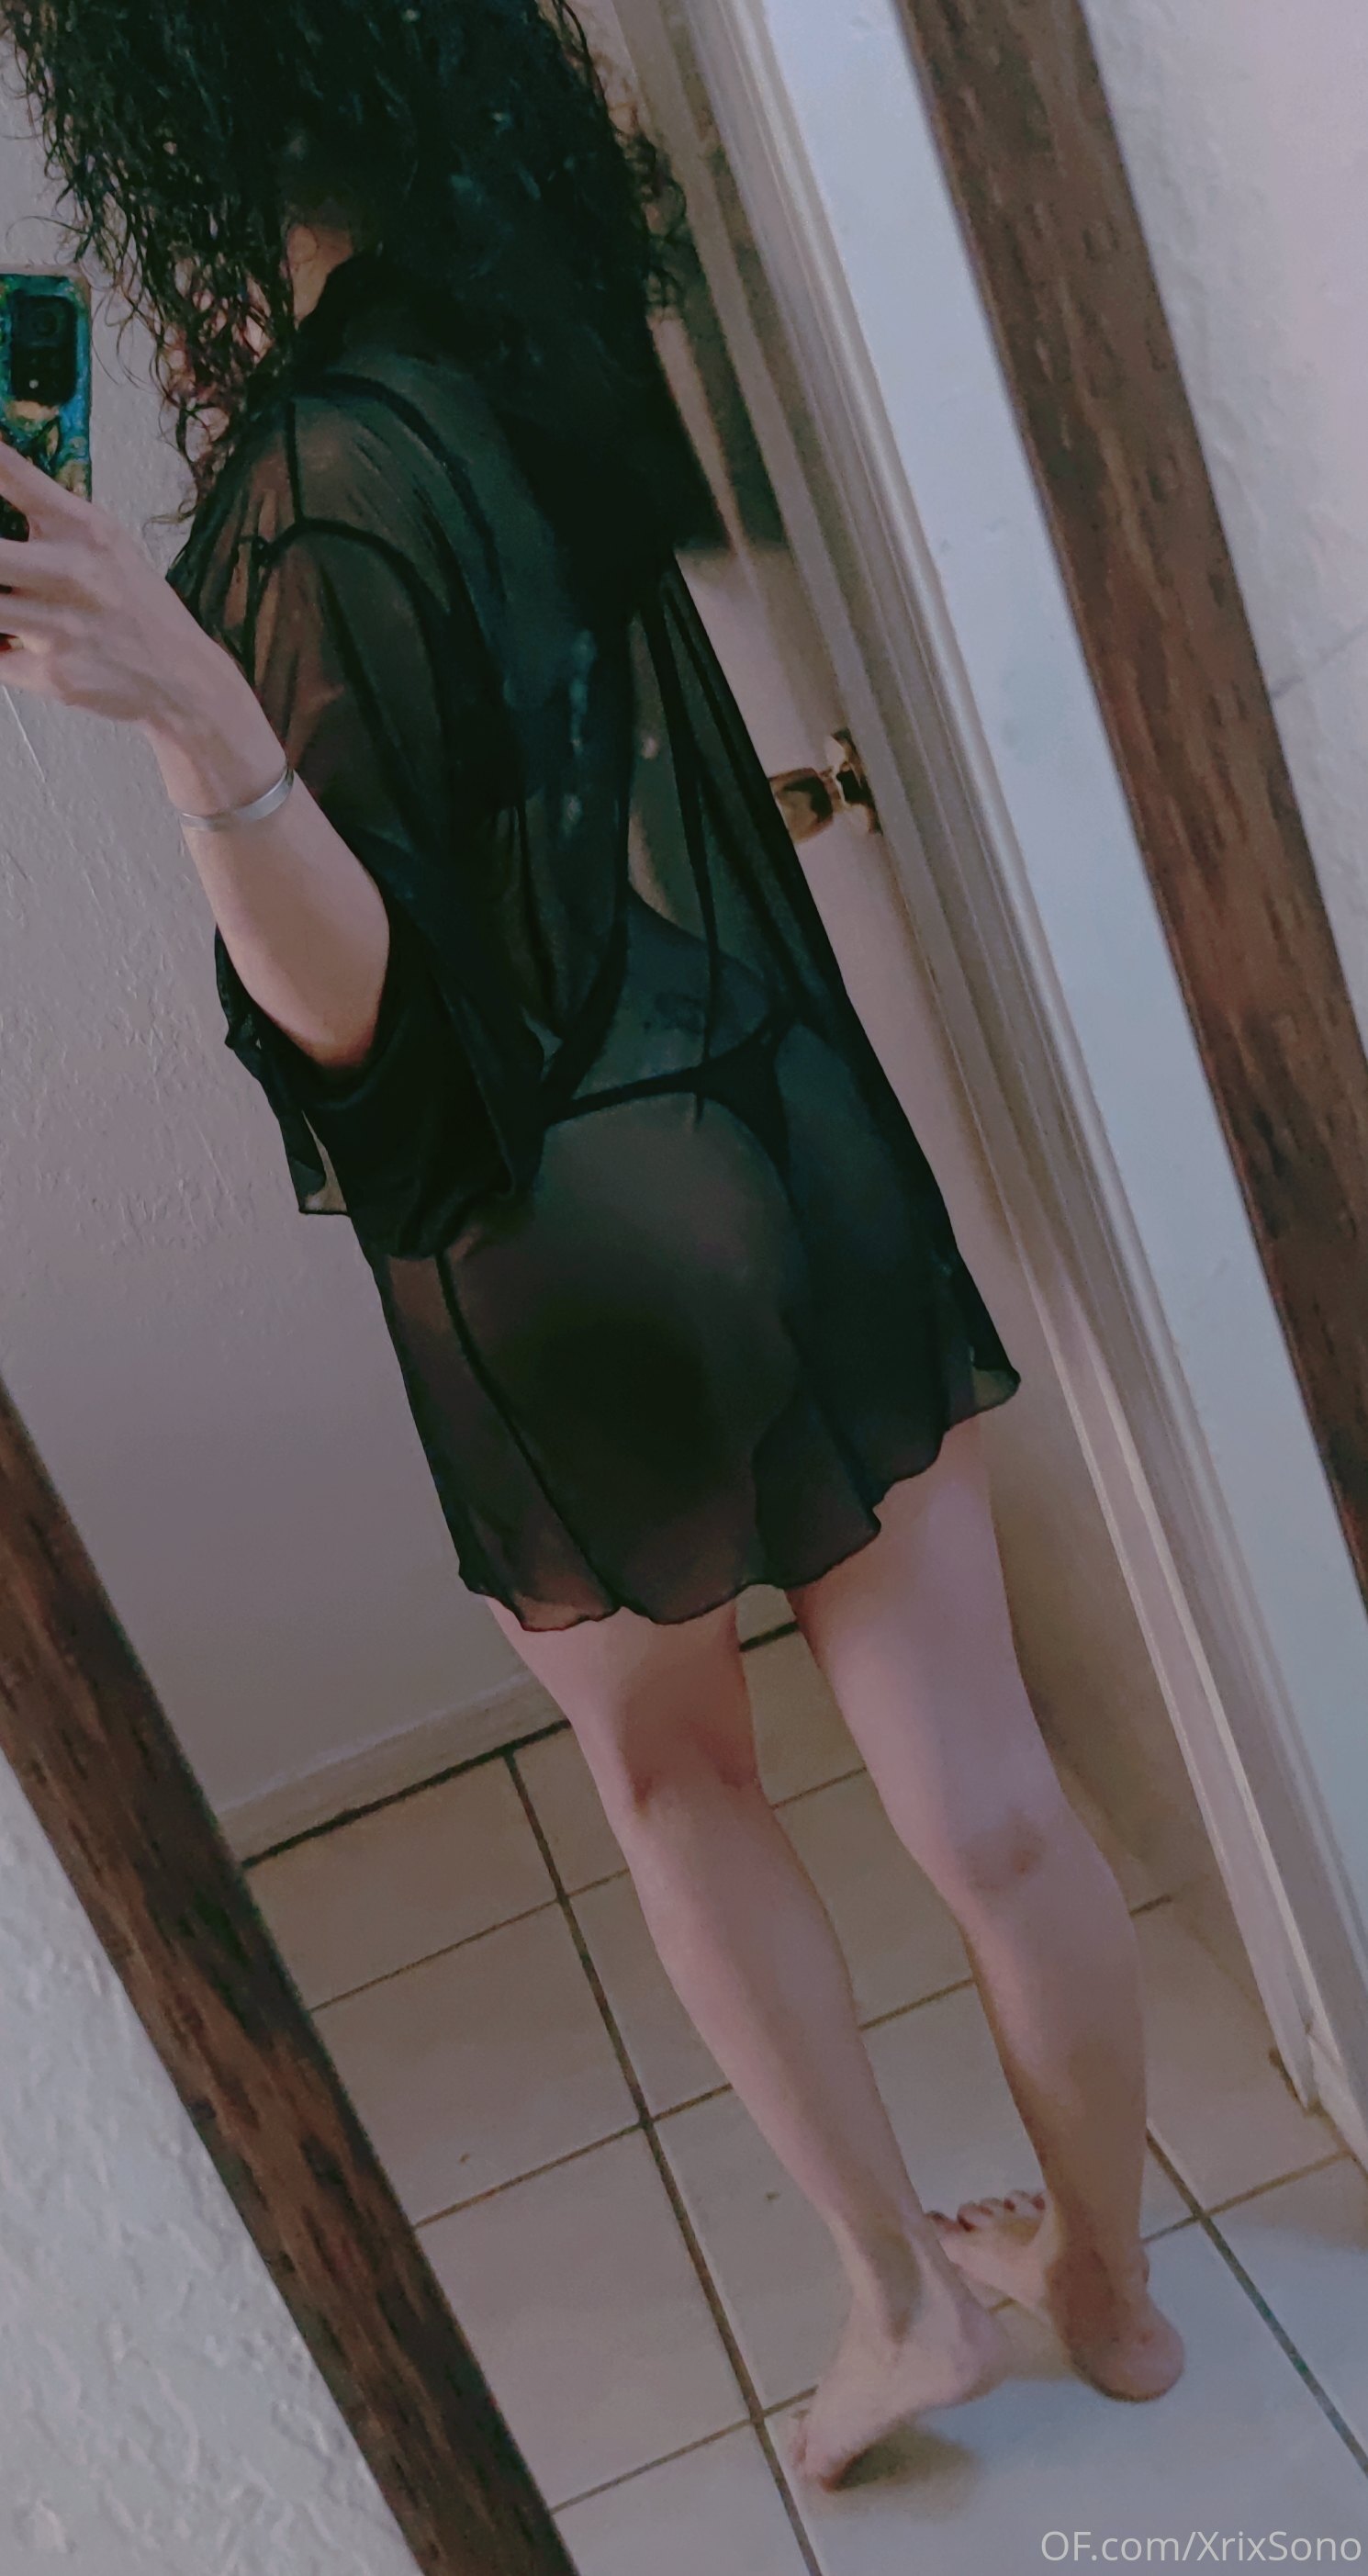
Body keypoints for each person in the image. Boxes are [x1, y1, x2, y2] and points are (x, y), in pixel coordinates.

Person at [0, 0, 1182, 2490]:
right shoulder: (533, 339)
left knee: (673, 1786)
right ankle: (1108, 2288)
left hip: (565, 1257)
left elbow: (382, 1048)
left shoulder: (311, 480)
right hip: (782, 1123)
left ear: (173, 110)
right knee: (985, 1799)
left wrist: (203, 721)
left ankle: (900, 2307)